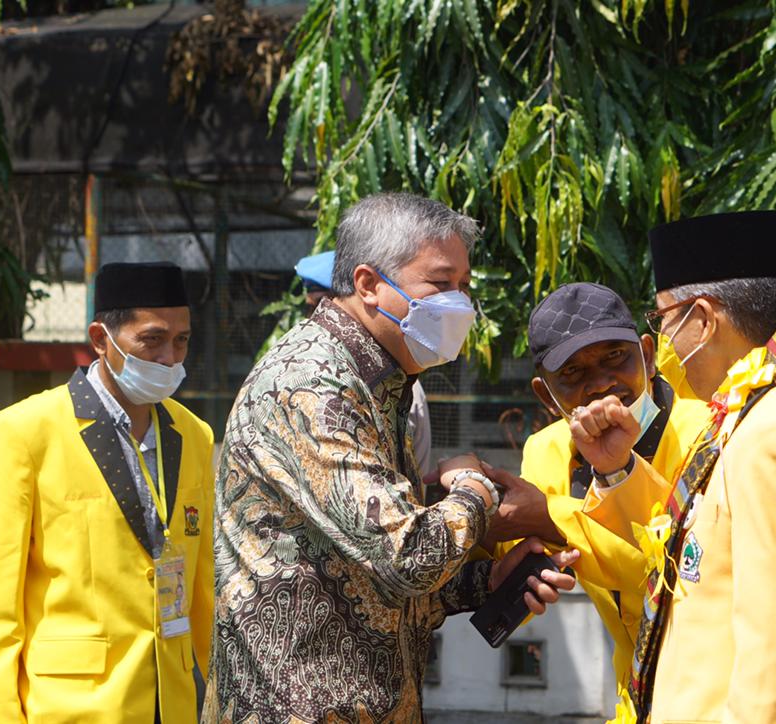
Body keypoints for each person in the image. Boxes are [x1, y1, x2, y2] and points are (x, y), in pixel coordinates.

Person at [205, 193, 579, 721]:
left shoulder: (381, 382)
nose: (460, 305)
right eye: (440, 284)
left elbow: (374, 583)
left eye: (465, 287)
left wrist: (486, 583)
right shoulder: (313, 386)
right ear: (368, 284)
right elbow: (408, 557)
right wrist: (476, 486)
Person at [566, 210, 776, 722]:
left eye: (664, 319)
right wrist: (619, 469)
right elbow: (705, 545)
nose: (663, 343)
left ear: (705, 320)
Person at [0, 261, 215, 723]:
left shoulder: (194, 435)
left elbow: (204, 587)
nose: (170, 358)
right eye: (152, 339)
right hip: (72, 708)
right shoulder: (22, 434)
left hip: (173, 702)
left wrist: (225, 698)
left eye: (181, 341)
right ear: (101, 339)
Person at [480, 282, 709, 695]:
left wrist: (554, 518)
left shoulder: (708, 432)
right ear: (546, 396)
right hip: (635, 696)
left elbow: (682, 574)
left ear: (648, 355)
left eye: (616, 357)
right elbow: (514, 584)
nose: (602, 384)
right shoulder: (547, 452)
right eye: (573, 373)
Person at [296, 249, 434, 474]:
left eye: (323, 307)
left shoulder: (401, 383)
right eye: (311, 309)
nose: (315, 320)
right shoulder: (307, 374)